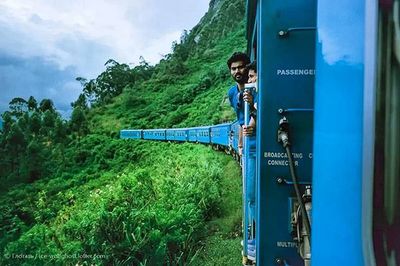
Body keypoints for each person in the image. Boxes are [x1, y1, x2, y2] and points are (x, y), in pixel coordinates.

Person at [227, 52, 251, 155]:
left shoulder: (256, 89)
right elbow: (241, 121)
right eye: (233, 69)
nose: (237, 71)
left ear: (247, 68)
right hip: (246, 143)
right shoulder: (232, 93)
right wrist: (240, 145)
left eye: (241, 67)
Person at [243, 61, 257, 136]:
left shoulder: (261, 94)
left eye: (251, 76)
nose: (249, 81)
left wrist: (250, 127)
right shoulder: (255, 93)